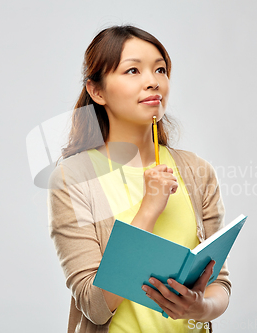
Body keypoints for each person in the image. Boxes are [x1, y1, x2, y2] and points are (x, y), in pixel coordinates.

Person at [47, 24, 231, 333]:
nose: (153, 82)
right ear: (97, 91)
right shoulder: (73, 178)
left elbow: (219, 284)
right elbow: (94, 305)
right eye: (133, 71)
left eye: (160, 70)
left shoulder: (197, 171)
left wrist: (201, 307)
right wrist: (148, 210)